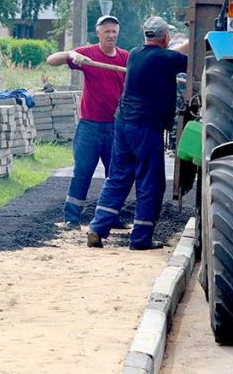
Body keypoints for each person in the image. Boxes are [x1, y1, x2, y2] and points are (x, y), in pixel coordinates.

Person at [88, 16, 190, 250]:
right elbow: (185, 56)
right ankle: (141, 239)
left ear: (146, 35)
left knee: (118, 177)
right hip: (146, 127)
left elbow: (173, 53)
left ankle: (97, 228)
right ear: (165, 37)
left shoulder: (135, 54)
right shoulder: (166, 58)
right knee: (150, 181)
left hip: (122, 123)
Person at [46, 15, 129, 227]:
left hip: (114, 127)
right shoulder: (88, 54)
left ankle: (111, 216)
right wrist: (72, 54)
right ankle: (72, 217)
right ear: (99, 33)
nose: (111, 35)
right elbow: (51, 60)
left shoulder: (124, 57)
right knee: (82, 171)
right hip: (89, 126)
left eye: (114, 32)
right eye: (107, 31)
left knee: (115, 175)